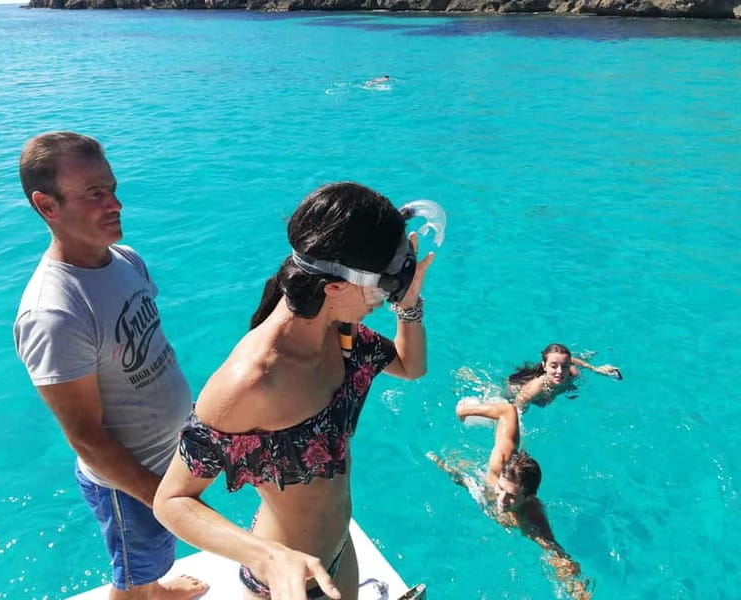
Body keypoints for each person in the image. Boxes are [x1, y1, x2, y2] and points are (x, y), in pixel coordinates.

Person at [153, 183, 441, 600]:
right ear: (334, 287)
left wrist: (408, 304)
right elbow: (172, 501)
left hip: (340, 555)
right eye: (382, 289)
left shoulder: (341, 335)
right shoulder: (252, 381)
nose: (383, 301)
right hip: (288, 582)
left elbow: (411, 367)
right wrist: (268, 557)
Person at [13, 132, 207, 600]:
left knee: (153, 560)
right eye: (94, 194)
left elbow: (151, 348)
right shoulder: (54, 312)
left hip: (171, 459)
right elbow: (86, 437)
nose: (115, 203)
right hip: (129, 485)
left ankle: (156, 588)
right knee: (131, 581)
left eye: (113, 188)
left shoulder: (126, 259)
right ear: (47, 205)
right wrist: (161, 499)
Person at [428, 402, 591, 600]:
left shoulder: (531, 518)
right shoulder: (499, 462)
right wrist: (467, 410)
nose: (502, 500)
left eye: (512, 496)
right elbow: (507, 410)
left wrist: (579, 591)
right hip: (474, 473)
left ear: (528, 497)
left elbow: (557, 554)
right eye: (502, 489)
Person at [507, 343, 621, 409]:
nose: (560, 371)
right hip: (517, 389)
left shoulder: (573, 373)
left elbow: (571, 360)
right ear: (545, 366)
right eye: (554, 366)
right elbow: (514, 411)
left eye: (565, 366)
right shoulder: (533, 389)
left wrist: (595, 369)